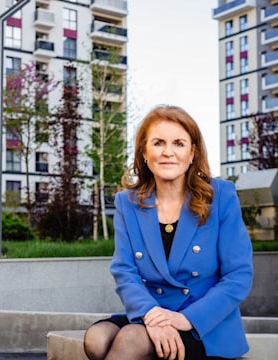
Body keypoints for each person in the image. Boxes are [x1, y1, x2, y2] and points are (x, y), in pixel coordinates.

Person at [83, 105, 253, 360]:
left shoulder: (220, 196)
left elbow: (238, 276)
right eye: (158, 143)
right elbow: (124, 271)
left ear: (193, 153)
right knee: (96, 339)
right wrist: (151, 315)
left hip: (203, 326)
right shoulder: (127, 203)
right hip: (152, 312)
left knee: (131, 340)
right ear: (144, 152)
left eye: (179, 143)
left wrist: (184, 319)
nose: (168, 152)